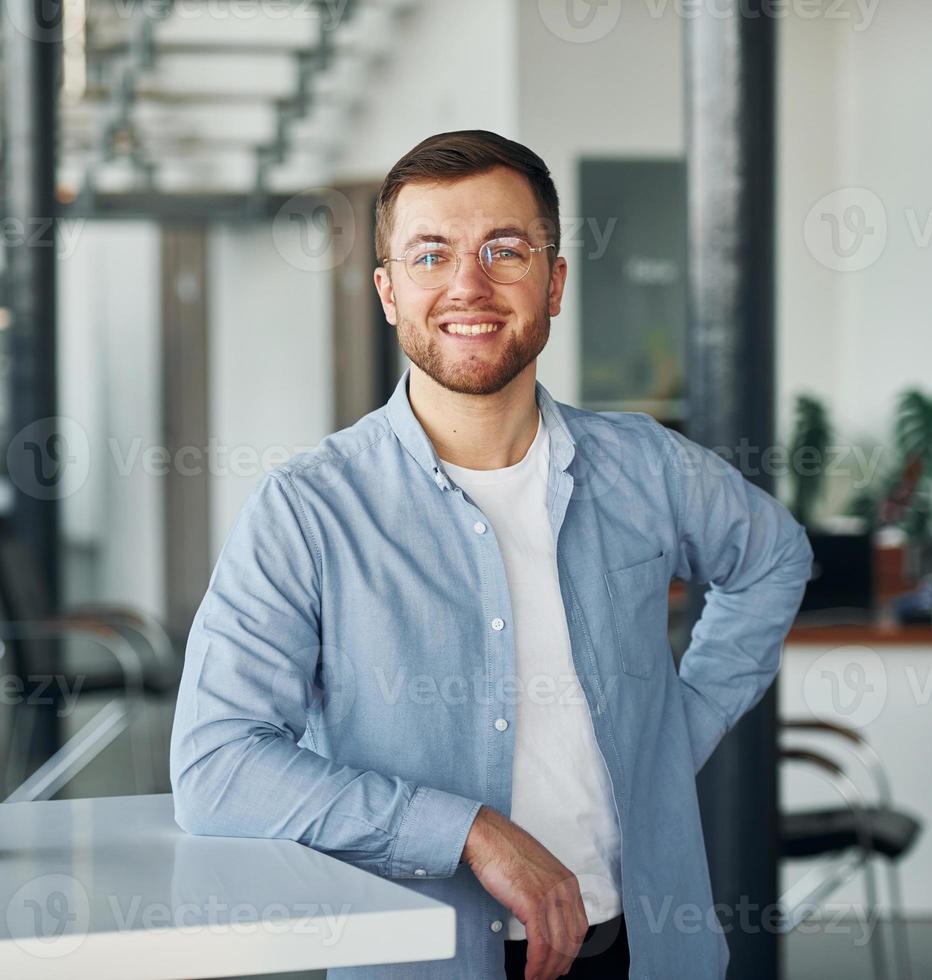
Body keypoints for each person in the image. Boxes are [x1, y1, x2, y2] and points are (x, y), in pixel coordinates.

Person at [170, 130, 812, 980]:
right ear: (389, 292)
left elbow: (774, 559)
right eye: (430, 254)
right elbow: (217, 766)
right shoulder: (306, 510)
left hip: (644, 949)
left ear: (554, 283)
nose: (468, 285)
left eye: (504, 250)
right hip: (422, 955)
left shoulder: (647, 466)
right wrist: (466, 830)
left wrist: (675, 728)